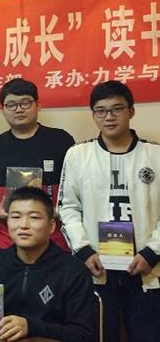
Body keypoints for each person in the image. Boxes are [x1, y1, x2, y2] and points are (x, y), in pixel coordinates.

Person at [58, 80, 160, 342]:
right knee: (101, 335)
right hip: (97, 267)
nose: (109, 117)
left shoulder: (155, 155)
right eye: (101, 111)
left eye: (117, 109)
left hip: (147, 267)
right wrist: (84, 251)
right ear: (93, 115)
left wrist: (152, 252)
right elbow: (67, 207)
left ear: (131, 111)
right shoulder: (77, 155)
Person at [0, 186, 94, 342]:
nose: (23, 225)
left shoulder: (73, 271)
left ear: (52, 226)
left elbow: (83, 334)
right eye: (16, 217)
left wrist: (32, 327)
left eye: (34, 217)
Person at [0, 78, 73, 250]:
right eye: (11, 105)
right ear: (3, 110)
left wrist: (61, 210)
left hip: (55, 241)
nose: (18, 109)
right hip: (8, 241)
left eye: (25, 103)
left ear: (38, 105)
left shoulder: (61, 140)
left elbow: (75, 187)